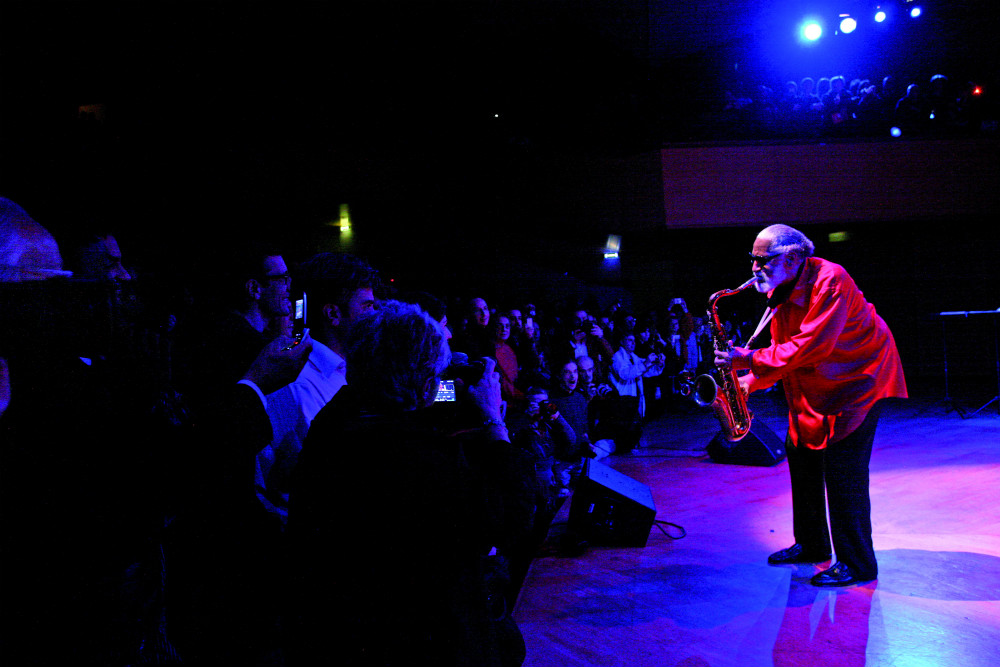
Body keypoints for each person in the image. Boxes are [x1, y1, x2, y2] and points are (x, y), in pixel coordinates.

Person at [285, 300, 531, 666]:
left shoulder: (334, 421)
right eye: (435, 375)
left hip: (339, 628)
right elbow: (512, 516)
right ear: (423, 381)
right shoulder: (417, 457)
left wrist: (446, 392)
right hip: (419, 637)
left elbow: (410, 399)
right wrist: (494, 419)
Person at [715, 224, 907, 587]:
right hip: (817, 382)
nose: (755, 268)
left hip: (858, 381)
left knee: (842, 470)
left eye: (762, 260)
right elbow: (786, 351)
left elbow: (811, 346)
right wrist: (749, 383)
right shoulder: (780, 289)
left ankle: (858, 563)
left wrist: (748, 360)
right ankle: (812, 544)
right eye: (752, 260)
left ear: (792, 258)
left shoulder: (831, 280)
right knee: (799, 454)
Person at [258, 252, 379, 526]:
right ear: (333, 314)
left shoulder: (355, 371)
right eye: (367, 307)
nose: (376, 317)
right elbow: (292, 486)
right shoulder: (296, 382)